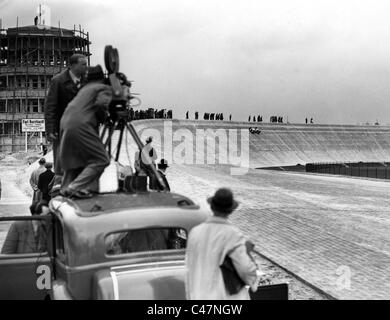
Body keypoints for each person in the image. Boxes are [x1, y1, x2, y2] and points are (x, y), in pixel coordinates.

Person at [185, 188, 259, 300]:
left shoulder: (195, 232)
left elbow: (189, 265)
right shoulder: (232, 234)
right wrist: (254, 279)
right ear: (230, 210)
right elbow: (245, 268)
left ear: (212, 207)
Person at [59, 65, 112, 199]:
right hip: (81, 124)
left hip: (65, 123)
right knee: (101, 159)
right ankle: (75, 187)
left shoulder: (84, 89)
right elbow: (102, 103)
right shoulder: (100, 88)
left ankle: (65, 189)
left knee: (75, 159)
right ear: (101, 78)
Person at [44, 53, 87, 185]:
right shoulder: (58, 81)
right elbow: (50, 107)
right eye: (83, 64)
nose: (86, 67)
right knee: (62, 167)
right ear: (73, 66)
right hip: (63, 131)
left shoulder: (86, 80)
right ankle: (59, 194)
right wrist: (50, 130)